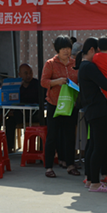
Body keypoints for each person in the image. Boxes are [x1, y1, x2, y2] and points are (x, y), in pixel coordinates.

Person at [79, 38, 107, 192]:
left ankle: (90, 179)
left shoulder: (83, 66)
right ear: (92, 50)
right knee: (99, 147)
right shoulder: (89, 66)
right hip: (99, 111)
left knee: (92, 145)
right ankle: (95, 183)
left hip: (91, 110)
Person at [41, 35, 80, 178]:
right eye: (63, 48)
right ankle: (49, 167)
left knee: (70, 136)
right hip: (54, 104)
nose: (66, 51)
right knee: (52, 136)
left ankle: (70, 165)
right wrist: (57, 81)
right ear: (57, 50)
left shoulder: (75, 63)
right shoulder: (50, 63)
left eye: (68, 48)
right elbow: (43, 82)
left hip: (70, 105)